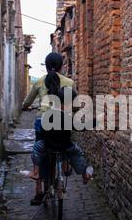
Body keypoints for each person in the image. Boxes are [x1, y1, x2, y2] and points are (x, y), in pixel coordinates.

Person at [22, 53, 91, 205]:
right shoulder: (69, 82)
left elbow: (28, 101)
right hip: (63, 123)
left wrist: (25, 106)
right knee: (68, 144)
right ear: (62, 66)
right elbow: (76, 103)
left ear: (46, 66)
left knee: (40, 147)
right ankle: (66, 163)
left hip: (43, 122)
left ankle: (38, 186)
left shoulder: (40, 81)